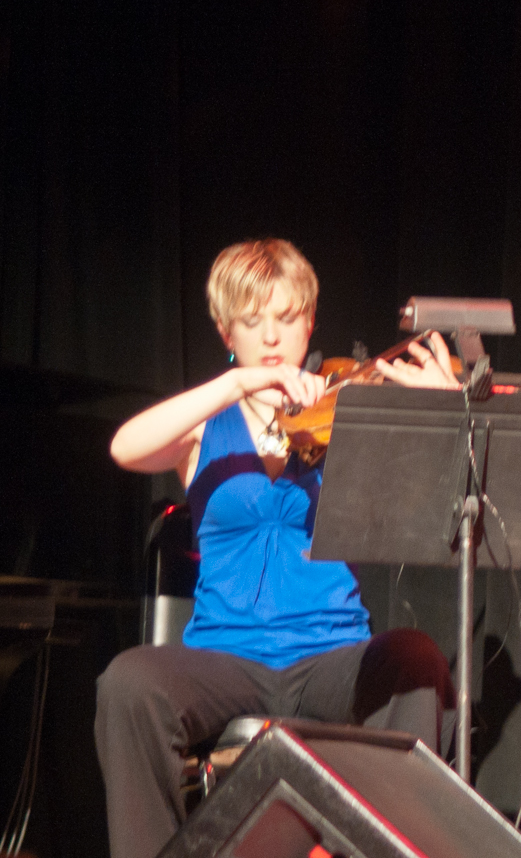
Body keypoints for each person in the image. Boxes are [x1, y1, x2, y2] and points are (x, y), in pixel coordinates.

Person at [96, 239, 462, 858]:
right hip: (226, 659)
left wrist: (449, 409)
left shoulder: (348, 410)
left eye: (288, 318)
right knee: (128, 683)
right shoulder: (203, 427)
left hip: (331, 654)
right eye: (252, 320)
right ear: (225, 330)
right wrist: (238, 383)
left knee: (416, 659)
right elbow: (126, 447)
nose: (272, 337)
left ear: (311, 322)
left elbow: (440, 489)